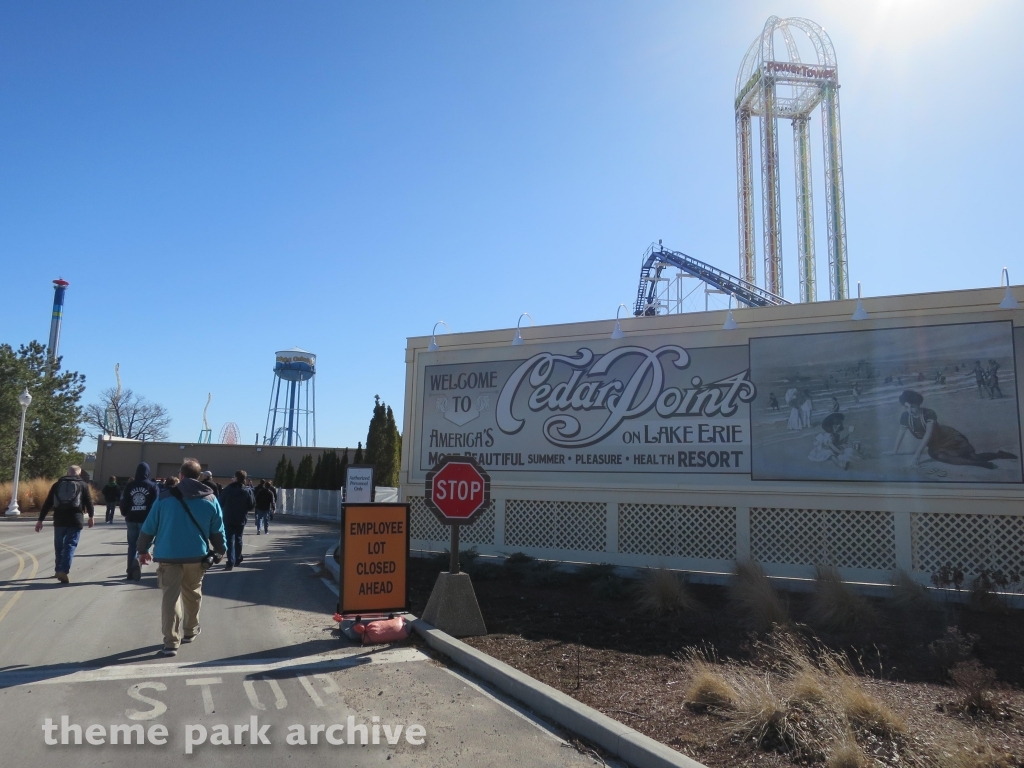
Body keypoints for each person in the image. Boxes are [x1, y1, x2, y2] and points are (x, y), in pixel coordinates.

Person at [137, 458, 226, 656]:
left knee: (171, 597)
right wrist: (220, 550)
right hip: (197, 556)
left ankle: (171, 641)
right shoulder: (211, 499)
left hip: (168, 556)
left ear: (181, 475)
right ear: (199, 476)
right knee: (193, 593)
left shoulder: (164, 498)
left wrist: (142, 550)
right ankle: (190, 630)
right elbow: (217, 530)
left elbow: (149, 527)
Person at [886, 389, 1018, 470]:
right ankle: (980, 464)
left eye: (913, 407)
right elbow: (901, 433)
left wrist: (917, 456)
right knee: (938, 455)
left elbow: (928, 435)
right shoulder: (905, 416)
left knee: (974, 457)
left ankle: (999, 454)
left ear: (918, 405)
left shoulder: (928, 414)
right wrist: (894, 451)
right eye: (906, 407)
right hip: (936, 445)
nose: (909, 410)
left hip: (951, 437)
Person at [34, 465, 95, 583]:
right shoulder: (83, 485)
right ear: (79, 473)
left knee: (59, 545)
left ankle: (58, 569)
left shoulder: (57, 485)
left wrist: (40, 520)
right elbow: (88, 501)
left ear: (68, 473)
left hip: (59, 519)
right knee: (70, 544)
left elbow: (48, 503)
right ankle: (63, 570)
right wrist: (91, 517)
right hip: (75, 519)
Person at [119, 462, 159, 580]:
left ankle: (130, 570)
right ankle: (137, 561)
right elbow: (155, 503)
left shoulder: (130, 485)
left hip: (131, 518)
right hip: (145, 519)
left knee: (131, 545)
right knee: (143, 543)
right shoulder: (152, 486)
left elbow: (124, 501)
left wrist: (125, 512)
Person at [219, 470, 255, 570]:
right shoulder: (247, 490)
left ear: (236, 478)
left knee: (229, 539)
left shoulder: (227, 489)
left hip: (228, 517)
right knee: (239, 538)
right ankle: (238, 558)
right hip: (241, 517)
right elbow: (251, 505)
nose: (232, 478)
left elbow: (220, 502)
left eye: (233, 477)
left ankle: (230, 561)